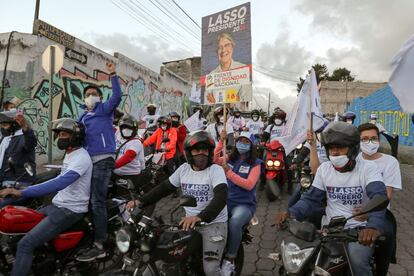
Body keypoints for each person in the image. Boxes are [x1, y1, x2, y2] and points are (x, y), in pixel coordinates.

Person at [276, 121, 388, 276]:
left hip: (358, 231)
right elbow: (311, 199)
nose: (335, 153)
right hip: (329, 229)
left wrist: (373, 227)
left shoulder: (368, 168)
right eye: (331, 148)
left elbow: (379, 195)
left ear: (353, 149)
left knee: (357, 259)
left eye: (340, 148)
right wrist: (291, 213)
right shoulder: (324, 169)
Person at [127, 130, 228, 276]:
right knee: (165, 256)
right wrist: (140, 201)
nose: (201, 154)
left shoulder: (215, 170)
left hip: (213, 224)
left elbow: (221, 197)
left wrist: (200, 217)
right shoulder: (183, 170)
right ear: (189, 153)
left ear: (210, 152)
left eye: (205, 150)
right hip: (189, 223)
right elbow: (163, 189)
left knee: (211, 269)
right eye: (197, 150)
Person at [0, 118, 92, 276]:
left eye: (64, 134)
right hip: (56, 206)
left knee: (25, 244)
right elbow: (57, 177)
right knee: (17, 230)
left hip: (69, 210)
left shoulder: (81, 157)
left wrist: (22, 192)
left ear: (75, 136)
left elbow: (60, 183)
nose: (60, 138)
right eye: (59, 134)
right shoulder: (70, 154)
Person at [76, 62, 122, 261]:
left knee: (97, 200)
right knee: (83, 199)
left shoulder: (104, 109)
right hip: (86, 161)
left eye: (94, 93)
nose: (91, 95)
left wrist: (112, 74)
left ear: (100, 97)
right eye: (88, 93)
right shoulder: (83, 115)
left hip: (103, 159)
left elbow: (117, 96)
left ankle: (100, 243)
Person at [214, 131, 262, 275]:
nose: (243, 144)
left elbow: (249, 184)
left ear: (252, 145)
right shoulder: (230, 157)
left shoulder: (255, 163)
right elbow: (214, 160)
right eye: (240, 141)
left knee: (234, 223)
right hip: (225, 201)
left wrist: (229, 173)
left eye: (246, 141)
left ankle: (230, 258)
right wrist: (220, 142)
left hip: (244, 205)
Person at [356, 122, 401, 275]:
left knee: (386, 237)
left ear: (379, 141)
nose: (370, 142)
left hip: (380, 212)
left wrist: (368, 213)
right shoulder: (352, 160)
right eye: (365, 139)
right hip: (352, 212)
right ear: (358, 141)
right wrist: (313, 147)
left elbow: (386, 196)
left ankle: (382, 270)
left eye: (374, 139)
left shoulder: (390, 162)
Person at [0, 110, 37, 189]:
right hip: (4, 179)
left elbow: (31, 143)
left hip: (18, 180)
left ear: (14, 125)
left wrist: (25, 127)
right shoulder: (5, 138)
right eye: (2, 126)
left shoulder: (22, 136)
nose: (3, 128)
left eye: (5, 125)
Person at [112, 114, 145, 189]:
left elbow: (129, 156)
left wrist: (112, 165)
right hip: (116, 172)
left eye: (129, 128)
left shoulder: (136, 141)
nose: (126, 130)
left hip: (129, 175)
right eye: (124, 127)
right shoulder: (118, 133)